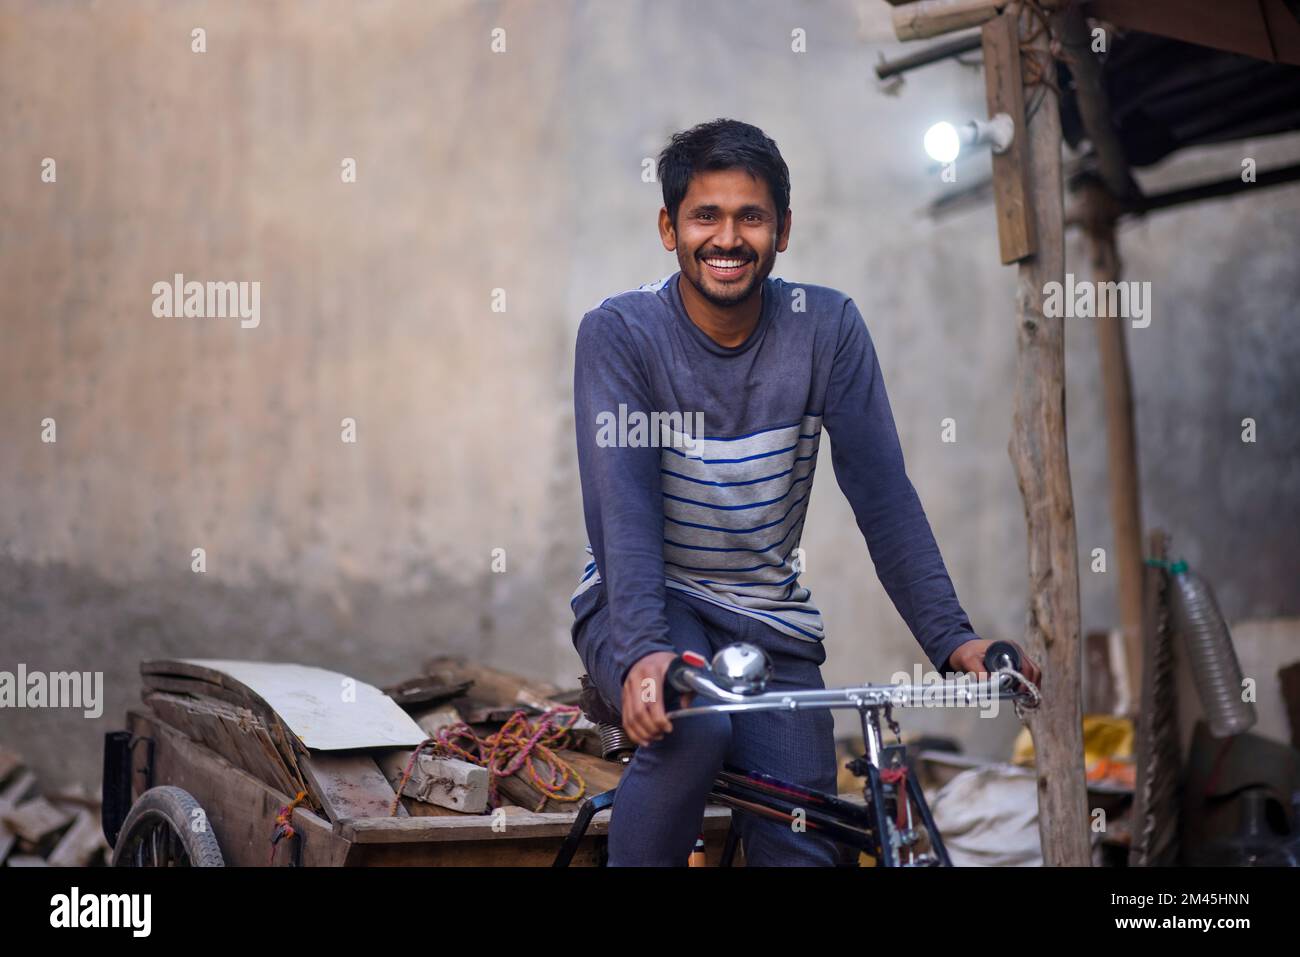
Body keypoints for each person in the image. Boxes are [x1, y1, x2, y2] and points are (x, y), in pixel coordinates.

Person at [569, 118, 1040, 866]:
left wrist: (954, 641)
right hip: (650, 597)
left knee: (807, 835)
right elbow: (619, 510)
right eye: (705, 216)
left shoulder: (826, 328)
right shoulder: (622, 332)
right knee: (693, 724)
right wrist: (643, 653)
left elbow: (883, 497)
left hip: (768, 617)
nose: (728, 238)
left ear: (783, 230)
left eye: (751, 216)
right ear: (669, 227)